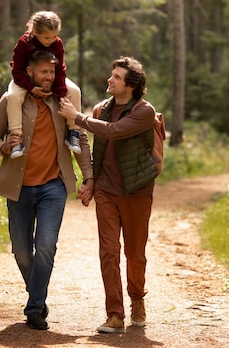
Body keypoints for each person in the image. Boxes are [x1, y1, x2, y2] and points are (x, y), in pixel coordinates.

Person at [0, 50, 94, 330]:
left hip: (53, 187)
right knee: (22, 251)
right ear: (30, 72)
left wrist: (88, 176)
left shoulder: (63, 101)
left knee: (45, 246)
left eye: (52, 72)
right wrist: (4, 147)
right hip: (18, 188)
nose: (48, 77)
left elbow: (80, 137)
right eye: (43, 71)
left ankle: (34, 308)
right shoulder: (12, 100)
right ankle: (38, 295)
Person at [58, 56, 158, 333]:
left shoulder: (144, 111)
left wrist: (76, 118)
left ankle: (137, 299)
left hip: (137, 191)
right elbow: (97, 146)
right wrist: (90, 180)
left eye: (116, 77)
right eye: (111, 74)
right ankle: (115, 314)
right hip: (106, 192)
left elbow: (114, 132)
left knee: (135, 254)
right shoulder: (101, 108)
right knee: (109, 253)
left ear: (131, 85)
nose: (109, 80)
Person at [7, 10, 83, 158]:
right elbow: (16, 71)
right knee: (13, 96)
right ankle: (16, 138)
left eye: (55, 36)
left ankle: (74, 132)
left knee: (74, 91)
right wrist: (31, 88)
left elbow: (60, 70)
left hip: (52, 76)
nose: (51, 40)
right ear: (35, 32)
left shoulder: (57, 44)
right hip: (24, 78)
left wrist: (61, 94)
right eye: (47, 37)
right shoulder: (24, 43)